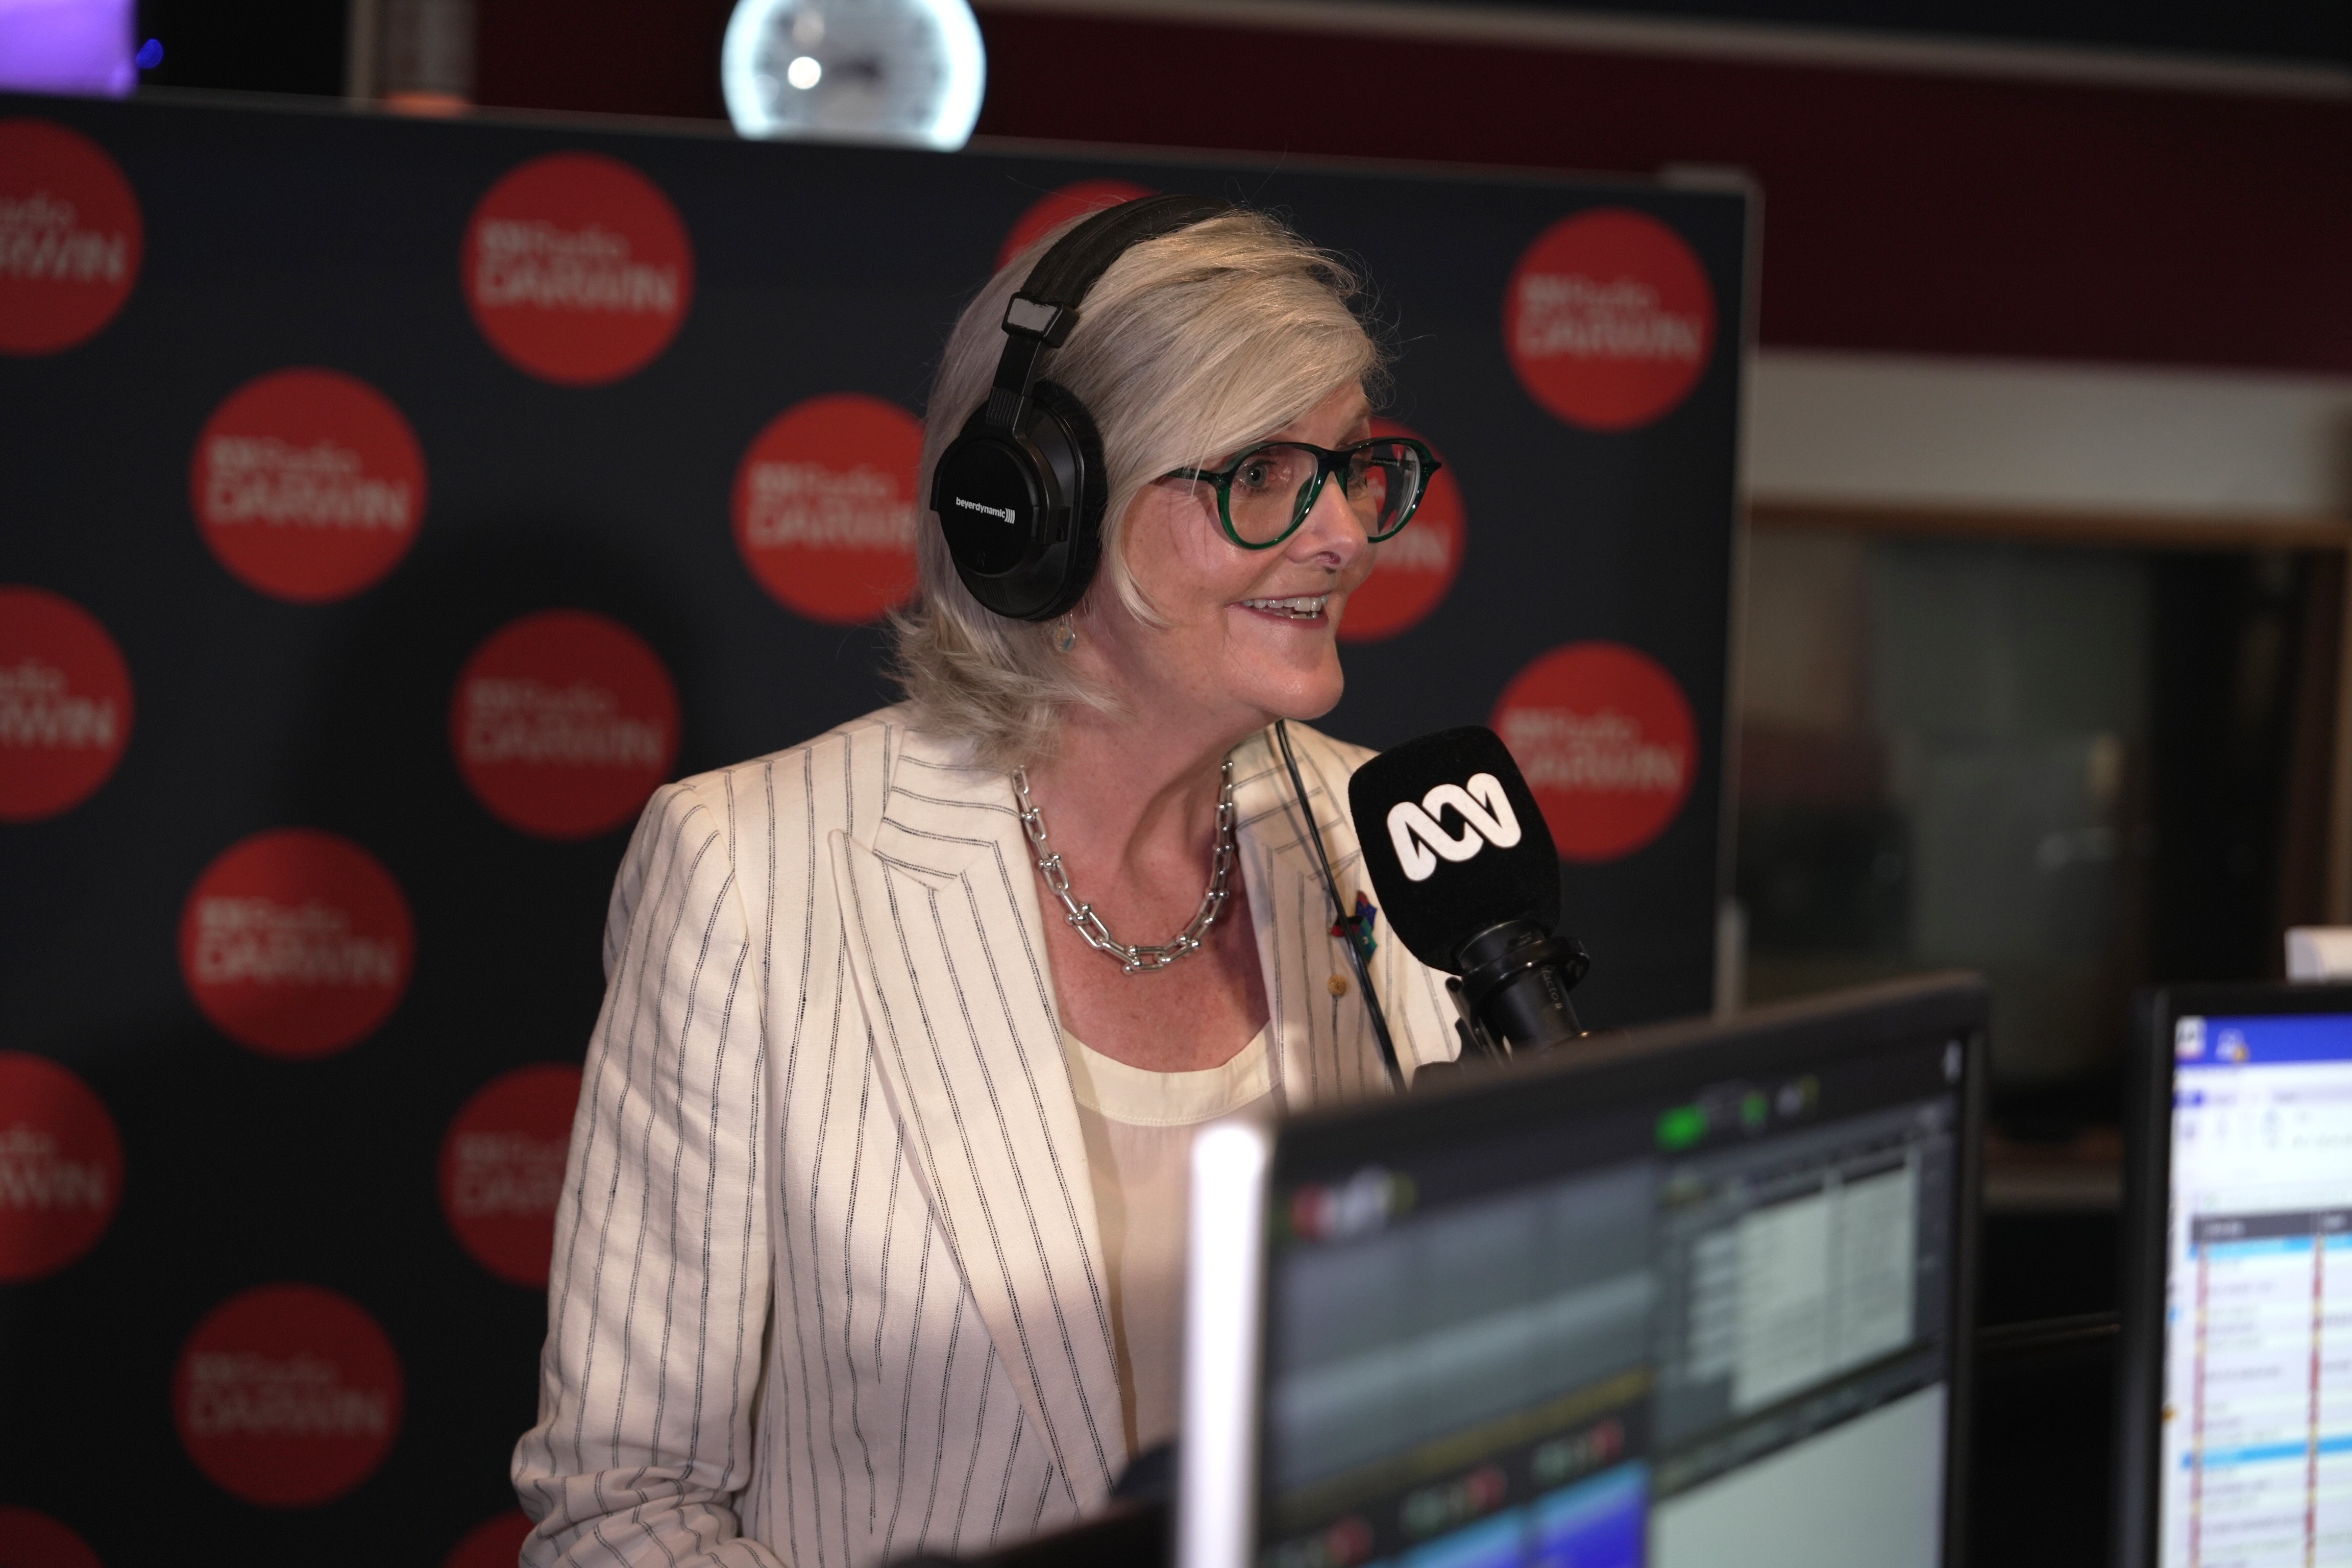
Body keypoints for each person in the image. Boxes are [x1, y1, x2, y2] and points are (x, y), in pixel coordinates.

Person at [513, 200, 1462, 1567]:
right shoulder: (751, 873)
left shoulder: (1394, 846)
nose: (1347, 538)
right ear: (1040, 510)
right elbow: (625, 1511)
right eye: (1264, 471)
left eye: (1355, 467)